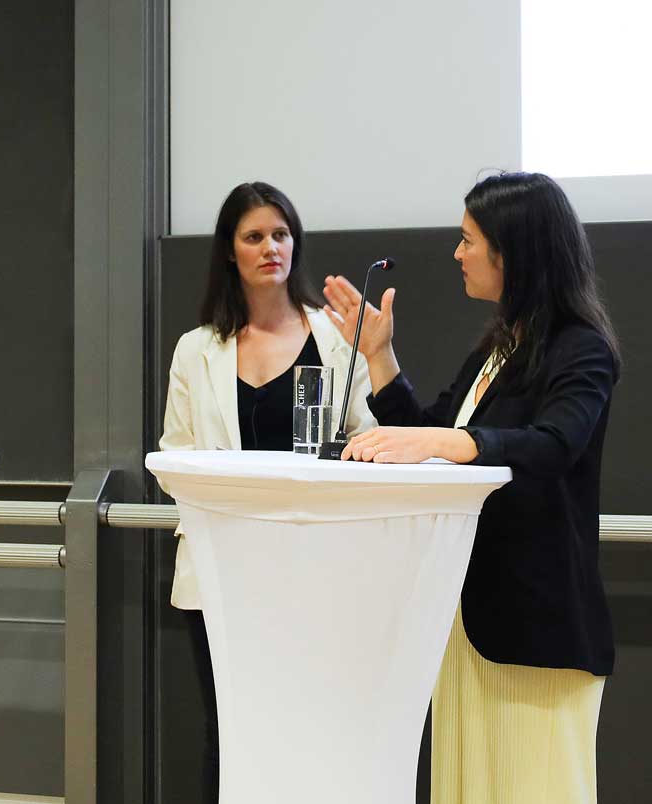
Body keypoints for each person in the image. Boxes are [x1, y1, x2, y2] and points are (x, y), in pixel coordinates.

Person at [323, 171, 619, 803]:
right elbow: (433, 434)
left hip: (538, 632)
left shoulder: (581, 348)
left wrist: (447, 445)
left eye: (467, 240)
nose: (456, 254)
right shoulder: (502, 344)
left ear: (513, 251)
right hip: (470, 620)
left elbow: (553, 444)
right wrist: (380, 356)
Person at [159, 181, 375, 802]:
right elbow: (175, 456)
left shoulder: (337, 338)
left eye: (280, 234)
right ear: (230, 251)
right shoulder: (196, 350)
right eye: (254, 236)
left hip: (313, 566)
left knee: (311, 724)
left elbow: (371, 440)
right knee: (228, 730)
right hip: (223, 567)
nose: (270, 248)